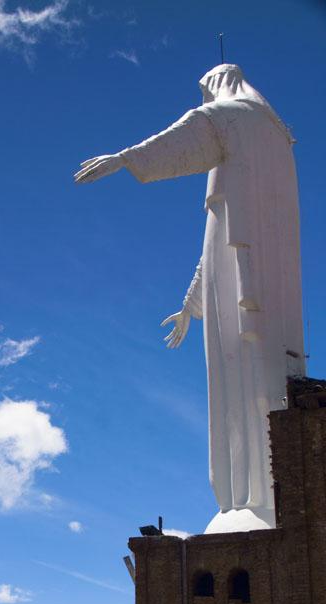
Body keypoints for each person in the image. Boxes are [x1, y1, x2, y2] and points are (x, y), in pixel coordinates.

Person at [74, 64, 305, 533]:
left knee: (245, 378)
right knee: (264, 375)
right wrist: (191, 305)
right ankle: (256, 498)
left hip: (246, 282)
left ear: (217, 87)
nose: (206, 100)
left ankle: (249, 498)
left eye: (205, 91)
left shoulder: (234, 116)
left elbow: (194, 131)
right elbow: (216, 244)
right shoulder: (278, 139)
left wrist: (126, 158)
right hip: (271, 277)